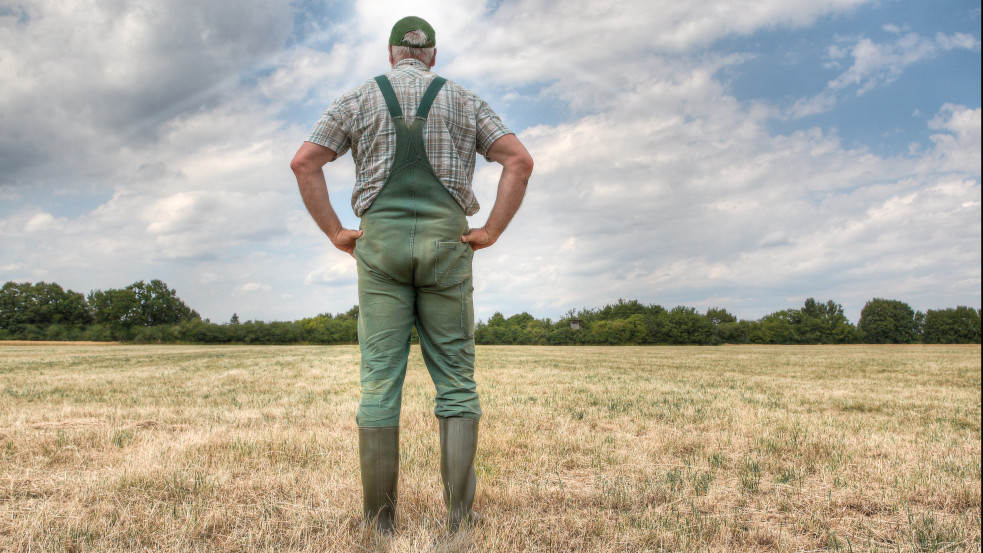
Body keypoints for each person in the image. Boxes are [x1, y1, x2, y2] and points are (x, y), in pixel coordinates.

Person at [290, 16, 533, 534]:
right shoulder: (465, 100)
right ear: (433, 57)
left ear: (391, 53)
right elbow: (518, 160)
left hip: (379, 249)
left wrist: (337, 232)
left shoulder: (356, 99)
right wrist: (489, 231)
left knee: (379, 384)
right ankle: (459, 525)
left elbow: (304, 162)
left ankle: (379, 527)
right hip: (448, 246)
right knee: (456, 382)